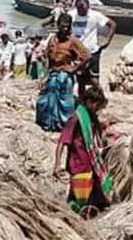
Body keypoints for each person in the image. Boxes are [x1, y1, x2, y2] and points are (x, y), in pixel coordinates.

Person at [53, 85, 113, 218]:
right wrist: (57, 164)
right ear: (88, 102)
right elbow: (62, 141)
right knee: (79, 199)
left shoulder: (92, 117)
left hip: (92, 163)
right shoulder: (76, 118)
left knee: (97, 197)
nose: (97, 108)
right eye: (96, 104)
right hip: (79, 164)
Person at [36, 14, 90, 132]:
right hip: (52, 74)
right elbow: (48, 59)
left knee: (65, 103)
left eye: (67, 27)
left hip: (65, 76)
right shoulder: (52, 39)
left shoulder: (73, 41)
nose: (64, 29)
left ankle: (64, 126)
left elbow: (87, 56)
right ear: (58, 25)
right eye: (62, 26)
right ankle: (48, 124)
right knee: (44, 101)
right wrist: (44, 76)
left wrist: (74, 69)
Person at [70, 0, 116, 98]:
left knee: (94, 80)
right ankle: (82, 101)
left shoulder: (95, 15)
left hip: (92, 51)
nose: (82, 12)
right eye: (80, 10)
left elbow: (112, 24)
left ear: (88, 7)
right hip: (77, 52)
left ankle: (100, 99)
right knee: (80, 80)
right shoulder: (71, 15)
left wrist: (107, 42)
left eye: (84, 10)